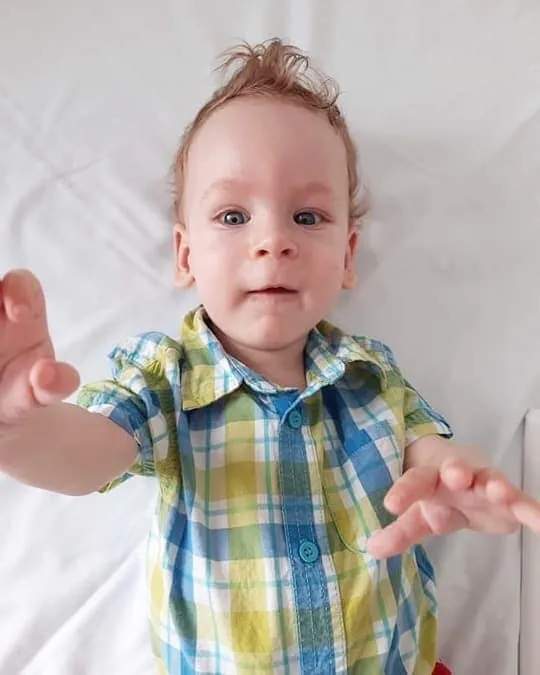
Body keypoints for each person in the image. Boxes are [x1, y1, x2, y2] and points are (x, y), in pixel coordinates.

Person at [0, 39, 537, 675]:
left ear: (347, 256)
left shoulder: (371, 374)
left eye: (307, 217)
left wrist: (456, 473)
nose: (273, 240)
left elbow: (425, 452)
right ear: (185, 255)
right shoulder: (166, 379)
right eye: (233, 216)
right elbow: (87, 455)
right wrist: (19, 430)